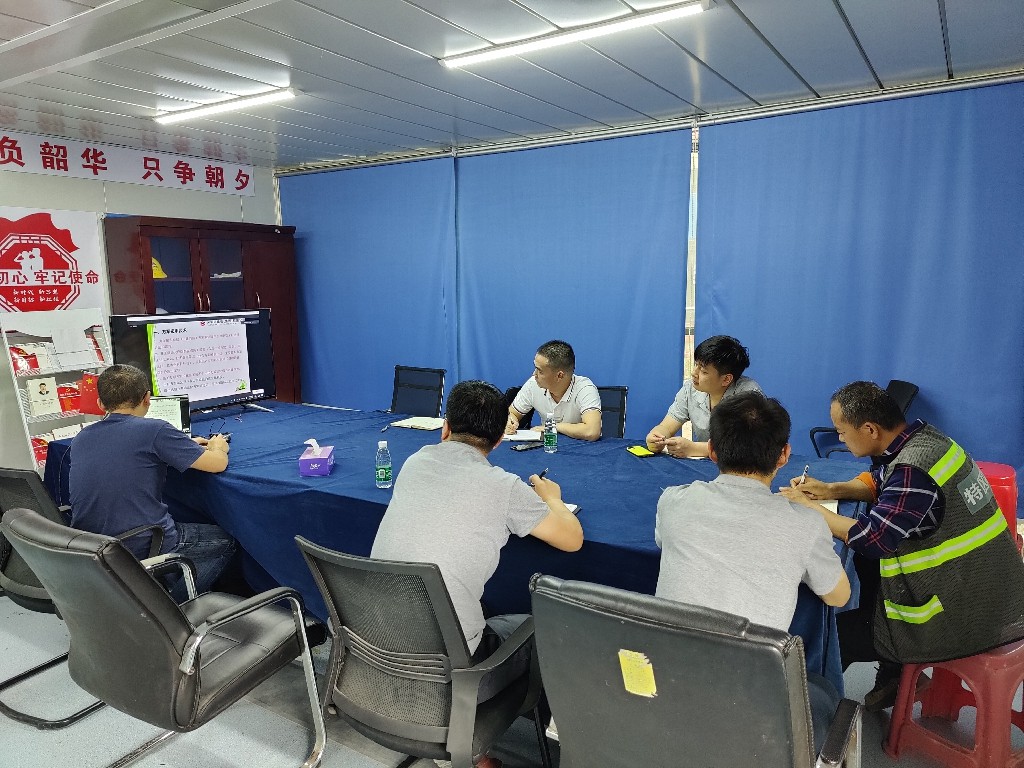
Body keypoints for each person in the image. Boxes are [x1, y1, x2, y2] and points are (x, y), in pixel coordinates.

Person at [782, 381, 1024, 712]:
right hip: (989, 591)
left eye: (842, 431)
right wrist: (830, 490)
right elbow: (885, 483)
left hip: (967, 614)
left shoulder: (914, 470)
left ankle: (812, 719)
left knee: (833, 637)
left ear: (869, 429)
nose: (840, 438)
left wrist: (811, 509)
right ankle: (892, 673)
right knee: (866, 570)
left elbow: (873, 539)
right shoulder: (926, 441)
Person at [655, 391, 850, 751]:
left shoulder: (672, 502)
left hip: (667, 685)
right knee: (822, 689)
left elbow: (663, 541)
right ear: (784, 455)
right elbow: (838, 596)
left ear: (711, 450)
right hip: (752, 705)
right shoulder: (805, 525)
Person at [372, 381, 583, 694]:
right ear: (498, 441)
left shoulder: (414, 462)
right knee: (544, 627)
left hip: (377, 645)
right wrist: (552, 498)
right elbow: (572, 539)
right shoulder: (504, 487)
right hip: (452, 671)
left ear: (446, 428)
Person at [69, 364, 235, 596]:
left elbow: (127, 456)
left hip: (93, 545)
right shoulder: (155, 430)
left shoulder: (81, 437)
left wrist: (181, 447)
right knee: (226, 541)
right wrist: (218, 447)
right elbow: (217, 464)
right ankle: (174, 605)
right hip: (141, 541)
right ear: (147, 398)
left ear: (100, 404)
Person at [646, 335, 760, 458]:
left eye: (704, 371)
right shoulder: (691, 389)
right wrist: (657, 437)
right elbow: (666, 427)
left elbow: (749, 447)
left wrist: (695, 449)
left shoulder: (749, 395)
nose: (694, 373)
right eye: (696, 365)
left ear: (726, 379)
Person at [505, 339, 602, 441]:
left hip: (579, 447)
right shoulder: (533, 384)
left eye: (540, 371)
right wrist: (509, 421)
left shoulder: (585, 388)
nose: (534, 374)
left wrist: (552, 426)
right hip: (547, 446)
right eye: (535, 368)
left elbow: (592, 431)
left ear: (559, 376)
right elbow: (512, 413)